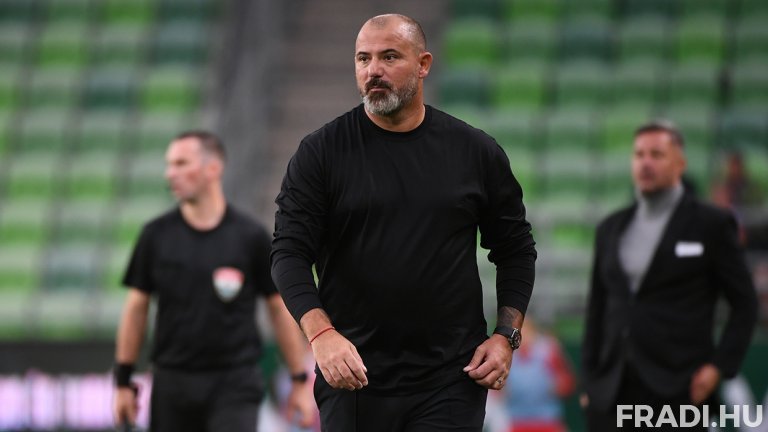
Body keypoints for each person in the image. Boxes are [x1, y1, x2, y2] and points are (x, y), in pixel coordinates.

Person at [271, 13, 537, 431]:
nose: (373, 70)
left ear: (423, 64)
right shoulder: (320, 153)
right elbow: (288, 254)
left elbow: (516, 249)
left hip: (450, 379)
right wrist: (321, 336)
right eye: (363, 59)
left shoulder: (474, 152)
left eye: (390, 57)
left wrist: (506, 336)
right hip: (352, 375)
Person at [113, 130, 316, 431]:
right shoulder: (155, 236)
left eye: (181, 163)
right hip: (173, 384)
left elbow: (277, 308)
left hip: (235, 382)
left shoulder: (250, 236)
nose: (170, 173)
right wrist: (122, 381)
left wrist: (299, 379)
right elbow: (136, 309)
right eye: (169, 164)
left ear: (213, 168)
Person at [581, 120, 758, 431]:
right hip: (612, 392)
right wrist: (590, 381)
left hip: (680, 388)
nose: (646, 162)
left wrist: (719, 366)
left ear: (680, 163)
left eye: (657, 154)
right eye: (639, 154)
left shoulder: (711, 224)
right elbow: (597, 308)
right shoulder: (610, 228)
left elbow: (745, 303)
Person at [501, 318, 575, 432]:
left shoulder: (548, 351)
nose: (523, 337)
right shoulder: (507, 355)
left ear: (533, 332)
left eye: (526, 331)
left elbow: (567, 383)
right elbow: (497, 389)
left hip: (548, 420)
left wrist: (554, 387)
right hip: (517, 421)